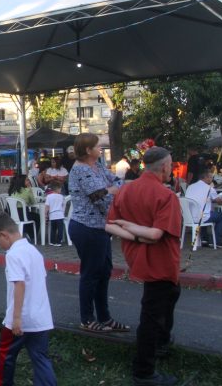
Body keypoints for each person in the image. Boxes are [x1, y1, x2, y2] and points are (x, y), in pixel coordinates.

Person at [105, 147, 182, 386]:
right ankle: (144, 370)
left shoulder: (126, 190)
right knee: (151, 315)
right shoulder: (165, 196)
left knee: (169, 296)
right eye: (171, 165)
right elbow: (157, 234)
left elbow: (109, 225)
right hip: (160, 260)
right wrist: (142, 236)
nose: (172, 169)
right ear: (164, 167)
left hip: (136, 255)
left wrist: (130, 231)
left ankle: (161, 343)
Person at [67, 133, 128, 333]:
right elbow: (100, 199)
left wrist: (110, 189)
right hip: (87, 228)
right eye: (97, 146)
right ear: (87, 150)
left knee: (103, 273)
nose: (101, 149)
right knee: (91, 274)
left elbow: (118, 182)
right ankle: (87, 318)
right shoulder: (81, 171)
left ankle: (105, 317)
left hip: (101, 228)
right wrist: (109, 191)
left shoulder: (98, 166)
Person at [0, 216, 57, 386]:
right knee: (40, 358)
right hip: (40, 317)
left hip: (20, 318)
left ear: (4, 235)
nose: (0, 246)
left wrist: (16, 318)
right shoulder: (34, 251)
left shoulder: (13, 254)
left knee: (6, 355)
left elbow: (19, 284)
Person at [185, 169, 222, 248]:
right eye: (211, 177)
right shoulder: (209, 188)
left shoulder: (190, 187)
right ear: (206, 178)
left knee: (205, 210)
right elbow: (218, 201)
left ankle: (204, 239)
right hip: (203, 217)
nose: (212, 179)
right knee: (221, 216)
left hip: (189, 217)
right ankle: (217, 241)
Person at [8, 174, 38, 242]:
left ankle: (25, 232)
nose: (29, 181)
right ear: (22, 182)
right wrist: (30, 189)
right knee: (37, 217)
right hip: (23, 215)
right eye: (27, 180)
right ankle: (32, 236)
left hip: (14, 215)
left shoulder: (13, 191)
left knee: (32, 216)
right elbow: (33, 202)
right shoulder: (27, 190)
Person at [45, 181, 65, 246]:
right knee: (60, 229)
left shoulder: (48, 196)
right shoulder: (61, 196)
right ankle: (59, 242)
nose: (61, 190)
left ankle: (52, 241)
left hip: (52, 215)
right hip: (60, 215)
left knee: (53, 229)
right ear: (58, 189)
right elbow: (62, 205)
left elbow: (47, 207)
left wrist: (46, 214)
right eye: (60, 189)